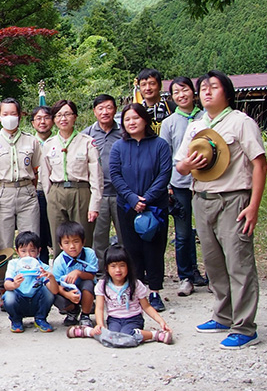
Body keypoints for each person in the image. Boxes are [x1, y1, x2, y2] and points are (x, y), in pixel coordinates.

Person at [175, 70, 267, 350]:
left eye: (213, 87)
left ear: (227, 93)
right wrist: (189, 165)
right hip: (201, 198)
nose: (206, 91)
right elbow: (180, 166)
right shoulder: (196, 126)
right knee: (214, 262)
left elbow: (260, 164)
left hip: (233, 199)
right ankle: (223, 315)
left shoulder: (241, 122)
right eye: (203, 87)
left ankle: (245, 327)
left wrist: (253, 206)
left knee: (239, 263)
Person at [110, 103, 172, 313]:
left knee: (154, 249)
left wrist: (147, 199)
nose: (131, 122)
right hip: (127, 206)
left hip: (155, 207)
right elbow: (115, 175)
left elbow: (164, 174)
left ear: (145, 119)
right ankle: (137, 289)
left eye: (135, 118)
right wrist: (131, 198)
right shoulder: (119, 147)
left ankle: (154, 291)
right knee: (132, 249)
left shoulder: (160, 145)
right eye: (127, 119)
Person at [159, 77, 208, 296]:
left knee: (209, 231)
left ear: (193, 92)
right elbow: (165, 156)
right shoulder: (169, 122)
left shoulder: (206, 117)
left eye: (185, 90)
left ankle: (212, 276)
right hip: (179, 184)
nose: (181, 95)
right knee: (183, 233)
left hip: (206, 182)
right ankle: (186, 276)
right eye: (176, 92)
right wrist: (168, 184)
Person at [68, 245, 173, 346]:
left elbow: (147, 306)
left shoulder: (135, 284)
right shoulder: (102, 285)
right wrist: (100, 325)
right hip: (114, 319)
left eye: (122, 265)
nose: (118, 270)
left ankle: (155, 335)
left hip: (133, 318)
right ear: (107, 268)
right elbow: (99, 308)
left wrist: (161, 321)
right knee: (111, 337)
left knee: (127, 336)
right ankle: (87, 331)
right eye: (113, 266)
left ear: (128, 266)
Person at [40, 100, 102, 257]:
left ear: (75, 117)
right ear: (54, 119)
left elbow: (96, 177)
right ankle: (61, 276)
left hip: (80, 192)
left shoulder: (87, 142)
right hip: (56, 192)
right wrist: (51, 198)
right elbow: (45, 175)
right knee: (58, 236)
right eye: (59, 115)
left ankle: (84, 274)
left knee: (82, 236)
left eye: (67, 114)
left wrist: (94, 205)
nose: (63, 119)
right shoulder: (49, 144)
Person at [0, 97, 40, 254]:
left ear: (19, 115)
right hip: (2, 194)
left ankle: (30, 276)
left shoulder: (31, 141)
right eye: (5, 114)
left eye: (13, 113)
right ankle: (2, 278)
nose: (9, 117)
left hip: (27, 194)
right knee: (3, 243)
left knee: (31, 241)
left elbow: (35, 170)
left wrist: (29, 188)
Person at [82, 94, 123, 266]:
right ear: (94, 112)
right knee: (99, 237)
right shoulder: (87, 135)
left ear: (114, 110)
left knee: (124, 236)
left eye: (109, 107)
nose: (105, 112)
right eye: (101, 108)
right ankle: (100, 273)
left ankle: (124, 270)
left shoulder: (123, 132)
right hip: (98, 194)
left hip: (121, 194)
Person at [3, 231, 59, 333]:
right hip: (19, 300)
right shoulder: (13, 264)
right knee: (8, 296)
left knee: (48, 292)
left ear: (39, 251)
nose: (28, 255)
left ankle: (40, 318)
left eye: (32, 251)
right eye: (23, 251)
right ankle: (16, 320)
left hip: (36, 301)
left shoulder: (43, 267)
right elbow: (6, 285)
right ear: (17, 251)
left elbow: (54, 291)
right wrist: (14, 284)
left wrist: (51, 278)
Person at [51, 221, 98, 327]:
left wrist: (78, 273)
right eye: (67, 243)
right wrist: (67, 294)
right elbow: (56, 285)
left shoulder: (89, 254)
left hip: (85, 288)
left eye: (76, 241)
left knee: (88, 284)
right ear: (61, 245)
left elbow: (92, 275)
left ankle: (85, 315)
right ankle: (73, 311)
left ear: (83, 241)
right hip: (68, 290)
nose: (72, 246)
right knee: (54, 295)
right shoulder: (59, 261)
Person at [31, 106, 55, 263]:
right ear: (33, 123)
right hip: (37, 192)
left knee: (57, 233)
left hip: (55, 193)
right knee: (39, 235)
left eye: (46, 117)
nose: (43, 122)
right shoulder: (29, 143)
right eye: (38, 118)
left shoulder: (59, 141)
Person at [137, 69, 175, 133]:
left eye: (152, 84)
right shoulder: (137, 111)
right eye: (143, 85)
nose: (148, 88)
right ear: (140, 88)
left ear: (160, 86)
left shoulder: (172, 108)